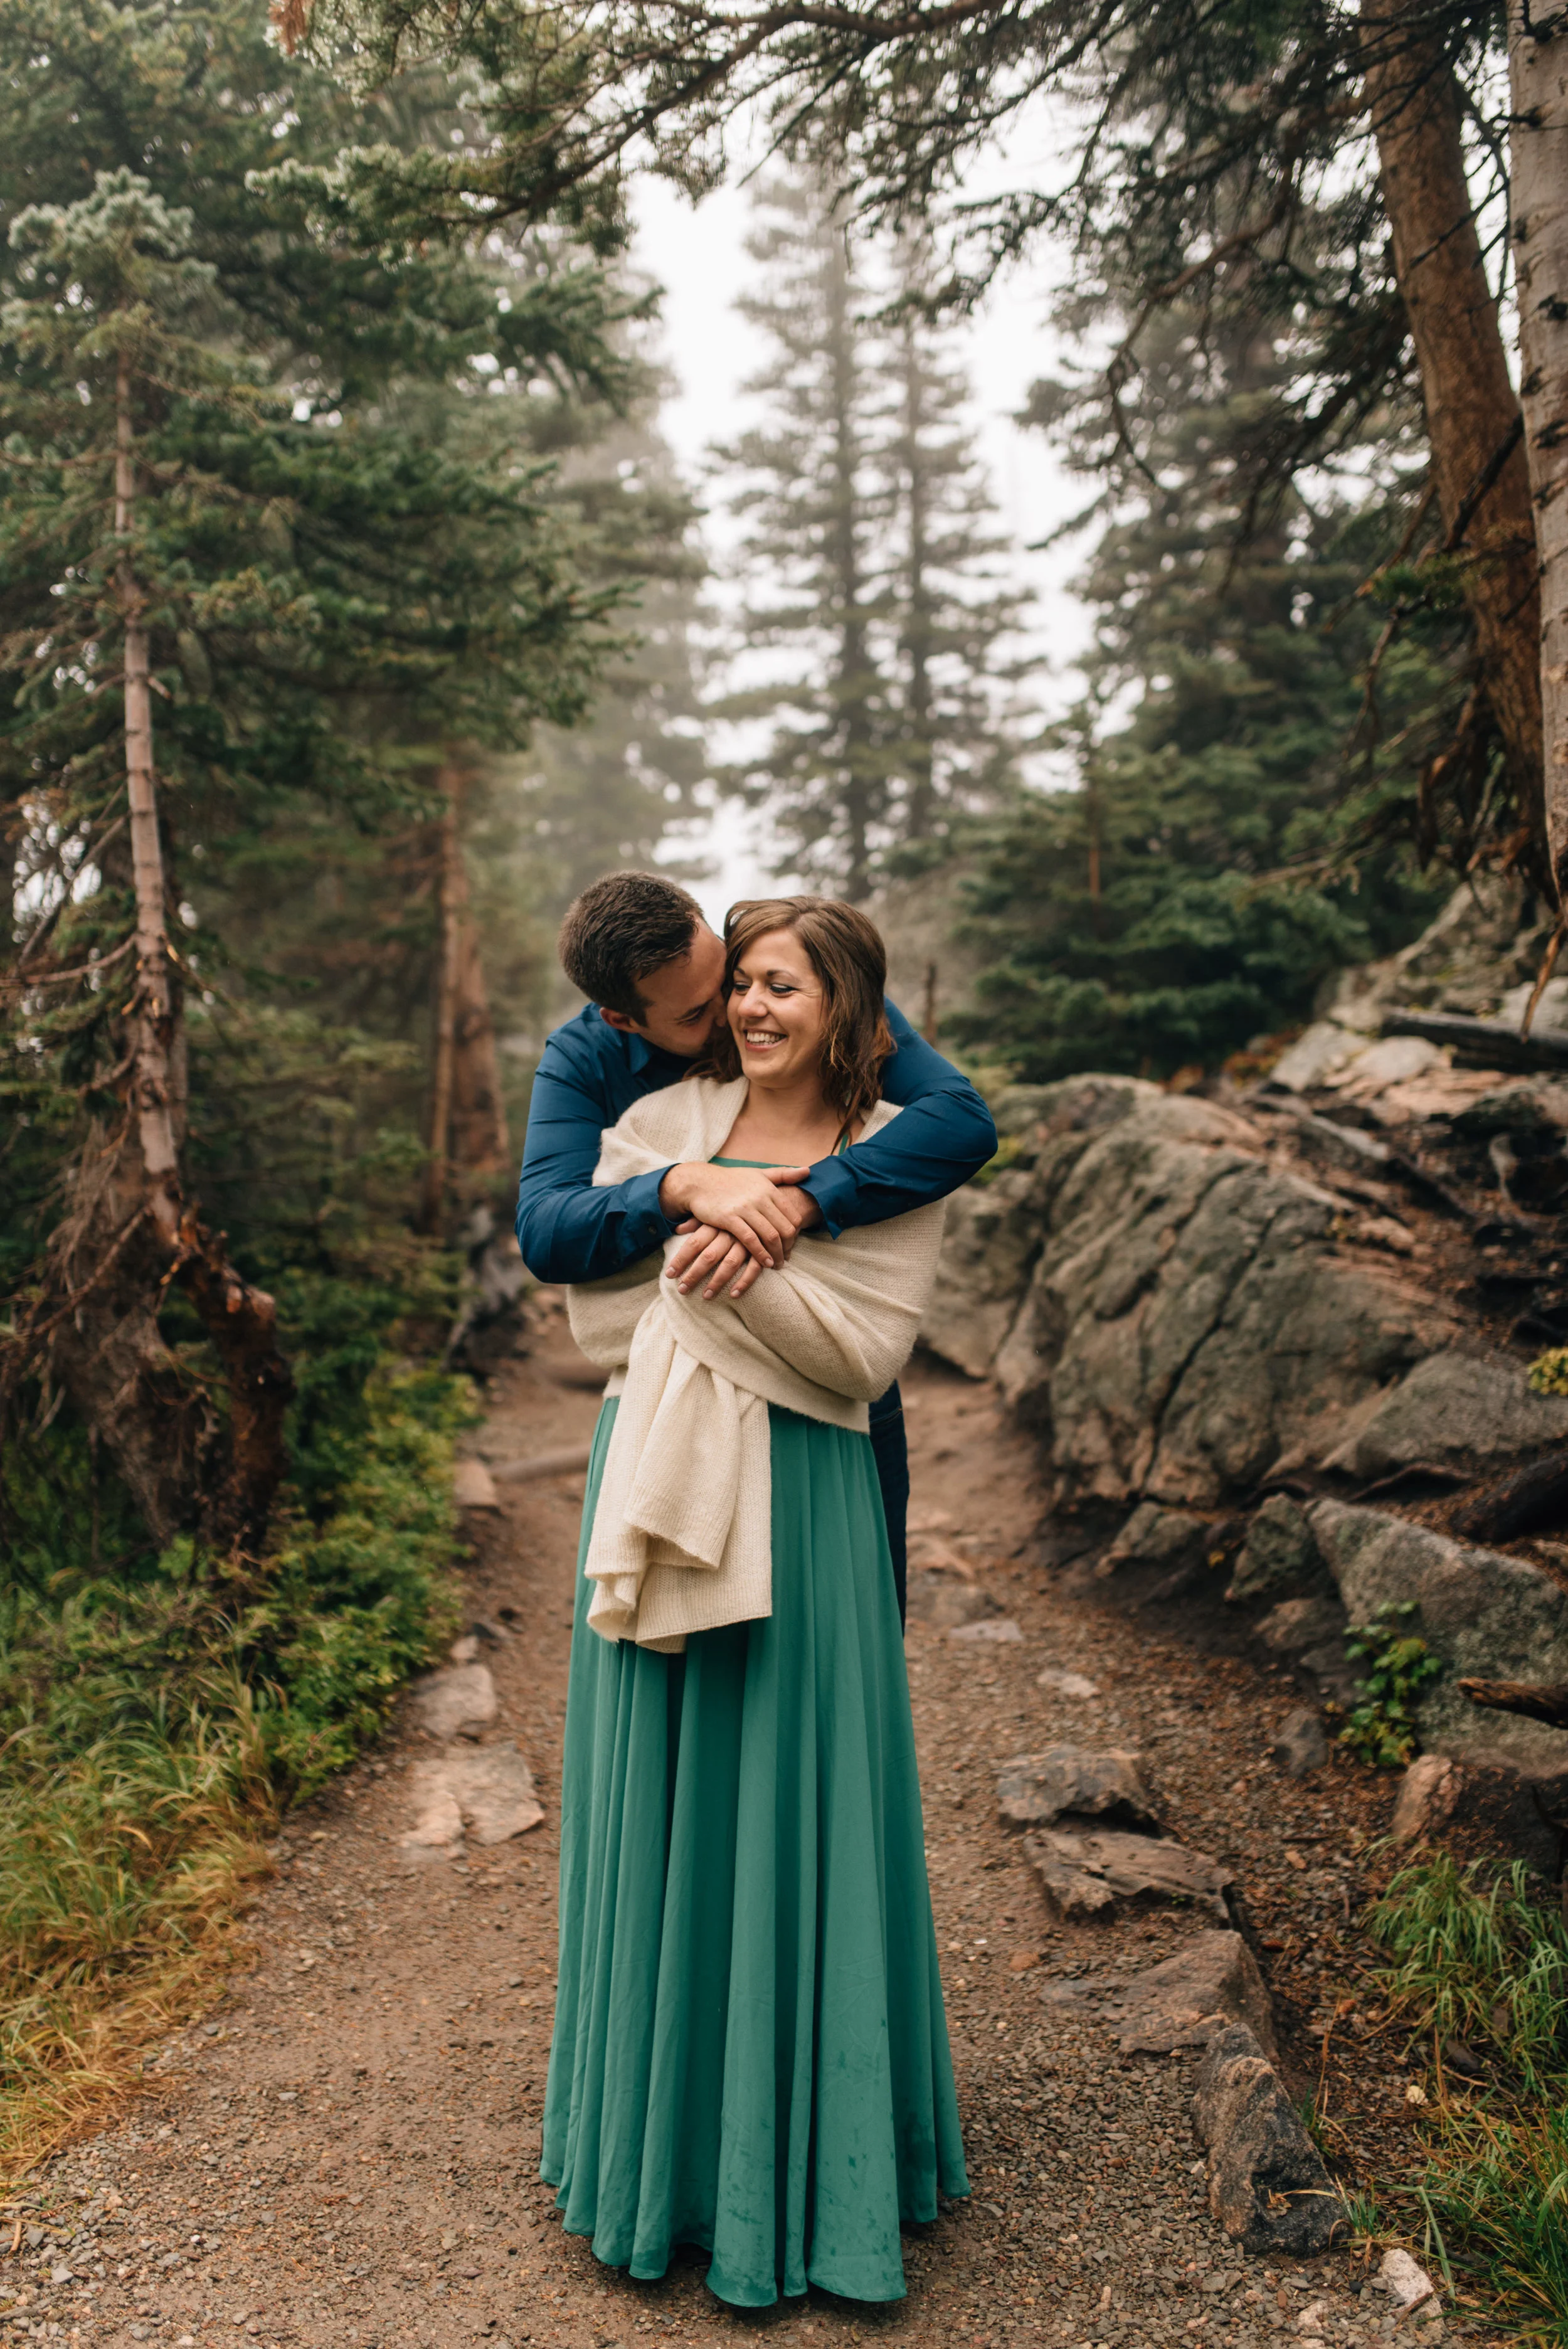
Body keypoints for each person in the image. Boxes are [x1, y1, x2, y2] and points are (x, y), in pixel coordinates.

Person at [542, 895, 969, 2309]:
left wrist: (756, 1235)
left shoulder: (888, 1155)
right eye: (742, 991)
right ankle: (655, 2161)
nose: (752, 1009)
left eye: (780, 986)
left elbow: (859, 1356)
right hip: (653, 1487)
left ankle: (816, 2167)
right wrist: (693, 1218)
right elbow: (581, 1307)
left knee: (799, 1811)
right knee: (658, 1813)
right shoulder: (660, 1123)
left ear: (850, 1011)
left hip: (807, 1501)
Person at [515, 871, 997, 1621]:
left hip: (832, 1387)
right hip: (675, 1403)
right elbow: (546, 1231)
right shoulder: (583, 1060)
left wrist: (803, 1200)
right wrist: (678, 1186)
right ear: (621, 1017)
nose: (739, 1015)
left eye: (730, 972)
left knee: (856, 1624)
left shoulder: (790, 990)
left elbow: (961, 1121)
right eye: (704, 1009)